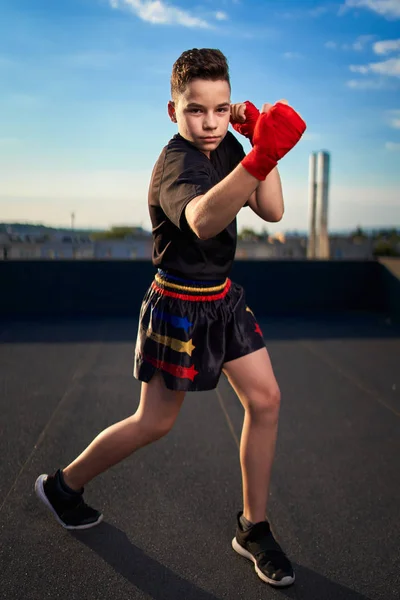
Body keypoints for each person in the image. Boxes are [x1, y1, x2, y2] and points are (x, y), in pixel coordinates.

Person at [35, 48, 305, 588]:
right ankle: (63, 486)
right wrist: (255, 161)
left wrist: (261, 147)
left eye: (222, 110)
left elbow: (272, 211)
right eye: (196, 110)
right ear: (172, 110)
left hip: (223, 300)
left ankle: (254, 527)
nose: (210, 123)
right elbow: (204, 220)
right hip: (179, 304)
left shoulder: (230, 143)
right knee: (155, 422)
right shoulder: (174, 165)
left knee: (267, 399)